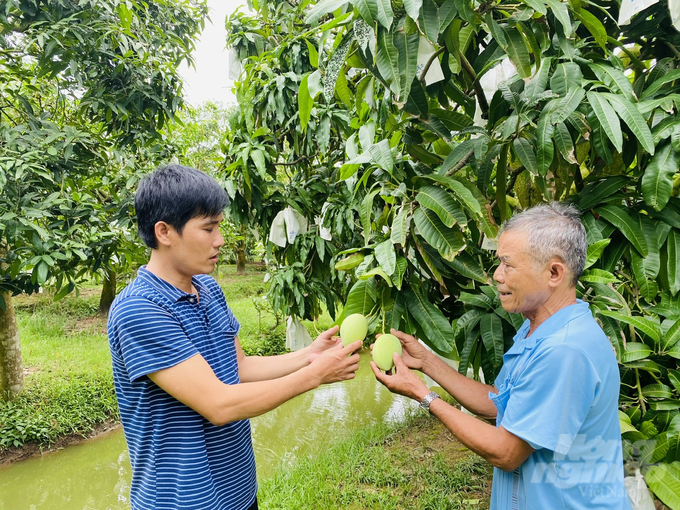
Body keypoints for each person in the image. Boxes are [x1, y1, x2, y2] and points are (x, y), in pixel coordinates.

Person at [107, 164, 361, 510]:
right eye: (208, 228)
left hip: (237, 492)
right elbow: (219, 404)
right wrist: (315, 375)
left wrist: (309, 356)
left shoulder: (208, 288)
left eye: (219, 227)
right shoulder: (140, 310)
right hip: (182, 501)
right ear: (164, 232)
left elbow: (238, 366)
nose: (220, 240)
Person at [371, 202, 631, 509]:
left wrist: (422, 395)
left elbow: (506, 452)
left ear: (554, 272)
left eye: (508, 264)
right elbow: (498, 402)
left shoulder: (565, 351)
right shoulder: (537, 328)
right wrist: (427, 362)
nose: (497, 275)